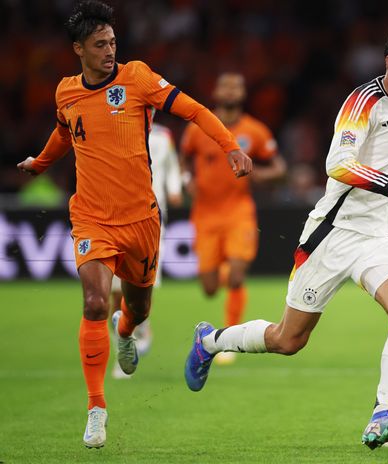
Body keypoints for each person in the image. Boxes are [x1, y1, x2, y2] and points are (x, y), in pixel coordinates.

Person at [184, 26, 388, 450]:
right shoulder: (362, 103)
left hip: (377, 236)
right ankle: (210, 341)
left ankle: (381, 416)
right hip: (332, 235)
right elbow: (337, 165)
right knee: (288, 340)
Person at [16, 0, 252, 448]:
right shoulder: (66, 92)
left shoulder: (138, 78)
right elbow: (65, 133)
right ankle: (96, 409)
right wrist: (42, 163)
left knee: (136, 310)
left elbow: (195, 110)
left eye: (112, 42)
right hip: (90, 217)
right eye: (99, 44)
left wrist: (229, 147)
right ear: (78, 49)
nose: (109, 50)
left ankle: (127, 331)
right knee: (93, 302)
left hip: (141, 219)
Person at [180, 72, 286, 365]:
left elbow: (279, 168)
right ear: (215, 91)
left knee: (237, 275)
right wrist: (186, 177)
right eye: (225, 85)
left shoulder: (255, 131)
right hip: (204, 214)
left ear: (242, 93)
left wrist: (258, 174)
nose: (230, 90)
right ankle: (222, 279)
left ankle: (227, 341)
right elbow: (185, 155)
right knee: (210, 287)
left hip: (239, 212)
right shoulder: (198, 128)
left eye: (236, 86)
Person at [110, 120, 183, 378]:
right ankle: (124, 345)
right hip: (113, 216)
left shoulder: (164, 135)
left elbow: (172, 165)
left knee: (138, 288)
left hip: (151, 218)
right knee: (113, 289)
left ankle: (140, 328)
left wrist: (175, 189)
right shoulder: (114, 127)